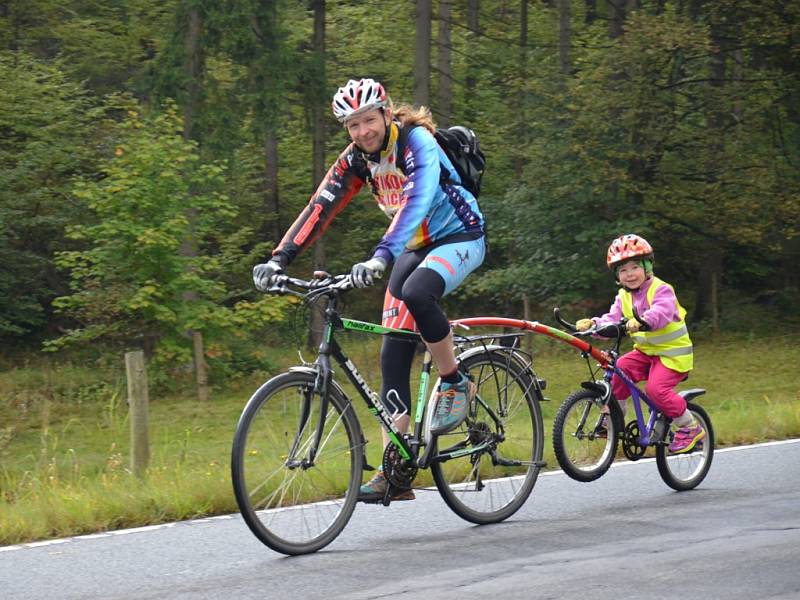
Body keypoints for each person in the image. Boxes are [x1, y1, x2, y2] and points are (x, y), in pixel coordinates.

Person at [252, 78, 487, 500]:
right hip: (412, 247)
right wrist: (279, 259)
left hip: (460, 237)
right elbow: (319, 207)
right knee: (392, 353)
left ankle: (456, 381)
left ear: (385, 112)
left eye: (367, 121)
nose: (362, 132)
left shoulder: (418, 143)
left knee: (416, 291)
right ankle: (395, 474)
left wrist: (380, 256)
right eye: (352, 125)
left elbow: (418, 200)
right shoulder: (355, 160)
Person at [575, 234, 705, 454]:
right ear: (617, 276)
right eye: (623, 270)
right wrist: (594, 324)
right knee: (619, 370)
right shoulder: (623, 296)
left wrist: (643, 321)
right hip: (645, 353)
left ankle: (690, 427)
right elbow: (612, 318)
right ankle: (615, 420)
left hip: (673, 355)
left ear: (647, 267)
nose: (630, 274)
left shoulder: (662, 289)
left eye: (635, 267)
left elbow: (662, 312)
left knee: (656, 390)